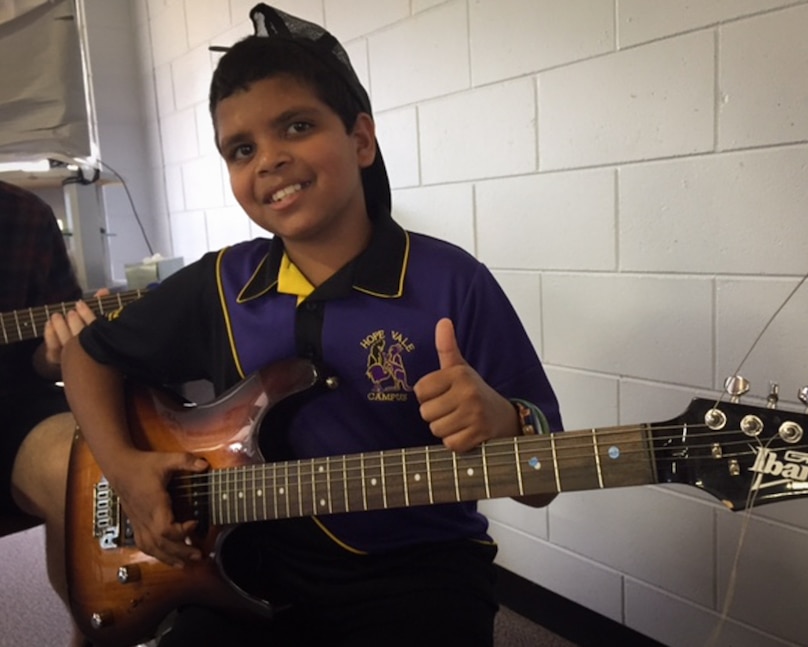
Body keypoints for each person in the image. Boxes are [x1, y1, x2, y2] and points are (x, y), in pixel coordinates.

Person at [61, 5, 563, 646]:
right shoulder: (222, 283)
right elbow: (87, 354)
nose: (269, 159)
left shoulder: (453, 282)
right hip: (242, 570)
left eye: (296, 127)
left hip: (418, 576)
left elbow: (543, 482)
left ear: (360, 140)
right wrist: (125, 468)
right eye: (242, 149)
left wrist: (505, 424)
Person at [0, 178, 105, 646]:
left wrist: (57, 353)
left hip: (12, 404)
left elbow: (41, 363)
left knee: (87, 463)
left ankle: (92, 635)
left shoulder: (25, 215)